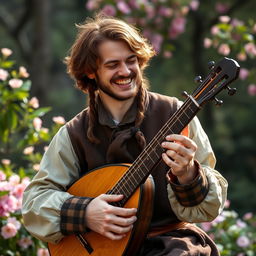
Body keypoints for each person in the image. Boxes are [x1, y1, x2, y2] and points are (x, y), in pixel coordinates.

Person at [22, 14, 227, 256]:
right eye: (113, 65)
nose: (126, 71)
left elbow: (209, 208)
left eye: (132, 61)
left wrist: (188, 174)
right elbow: (34, 203)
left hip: (170, 245)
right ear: (90, 71)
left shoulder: (176, 115)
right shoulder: (73, 133)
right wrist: (87, 213)